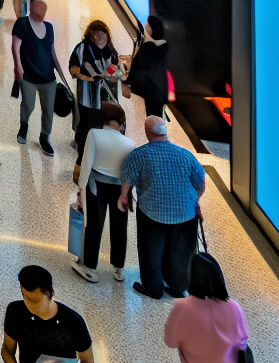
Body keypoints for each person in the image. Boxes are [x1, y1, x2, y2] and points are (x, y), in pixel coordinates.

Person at [120, 116, 206, 300]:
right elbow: (200, 181)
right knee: (181, 252)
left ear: (147, 132)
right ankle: (178, 286)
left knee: (150, 250)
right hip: (186, 214)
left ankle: (154, 288)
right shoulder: (185, 154)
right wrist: (195, 201)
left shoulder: (140, 154)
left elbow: (128, 178)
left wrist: (123, 196)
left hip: (152, 214)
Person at [73, 102, 137, 283]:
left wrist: (80, 190)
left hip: (97, 185)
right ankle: (118, 268)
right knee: (119, 228)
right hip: (120, 189)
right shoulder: (129, 142)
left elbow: (86, 164)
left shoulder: (94, 134)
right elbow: (129, 171)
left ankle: (91, 268)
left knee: (94, 226)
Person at [12, 0, 71, 154]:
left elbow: (51, 51)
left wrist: (61, 73)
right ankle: (23, 126)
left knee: (48, 109)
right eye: (37, 14)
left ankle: (44, 137)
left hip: (48, 78)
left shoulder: (49, 28)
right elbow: (15, 46)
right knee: (28, 105)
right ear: (31, 11)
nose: (40, 18)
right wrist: (17, 67)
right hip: (28, 77)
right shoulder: (22, 24)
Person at [69, 20, 123, 171]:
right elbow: (73, 69)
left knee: (99, 124)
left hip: (104, 96)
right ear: (90, 36)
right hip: (87, 96)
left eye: (102, 35)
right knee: (86, 123)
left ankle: (93, 152)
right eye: (96, 35)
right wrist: (87, 76)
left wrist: (109, 74)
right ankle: (81, 152)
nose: (99, 38)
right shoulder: (82, 48)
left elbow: (116, 72)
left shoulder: (111, 52)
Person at [122, 15, 170, 119]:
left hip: (149, 92)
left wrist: (126, 82)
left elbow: (138, 67)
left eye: (147, 25)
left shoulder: (148, 47)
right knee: (156, 121)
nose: (144, 26)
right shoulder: (162, 48)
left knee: (149, 122)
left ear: (151, 29)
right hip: (159, 93)